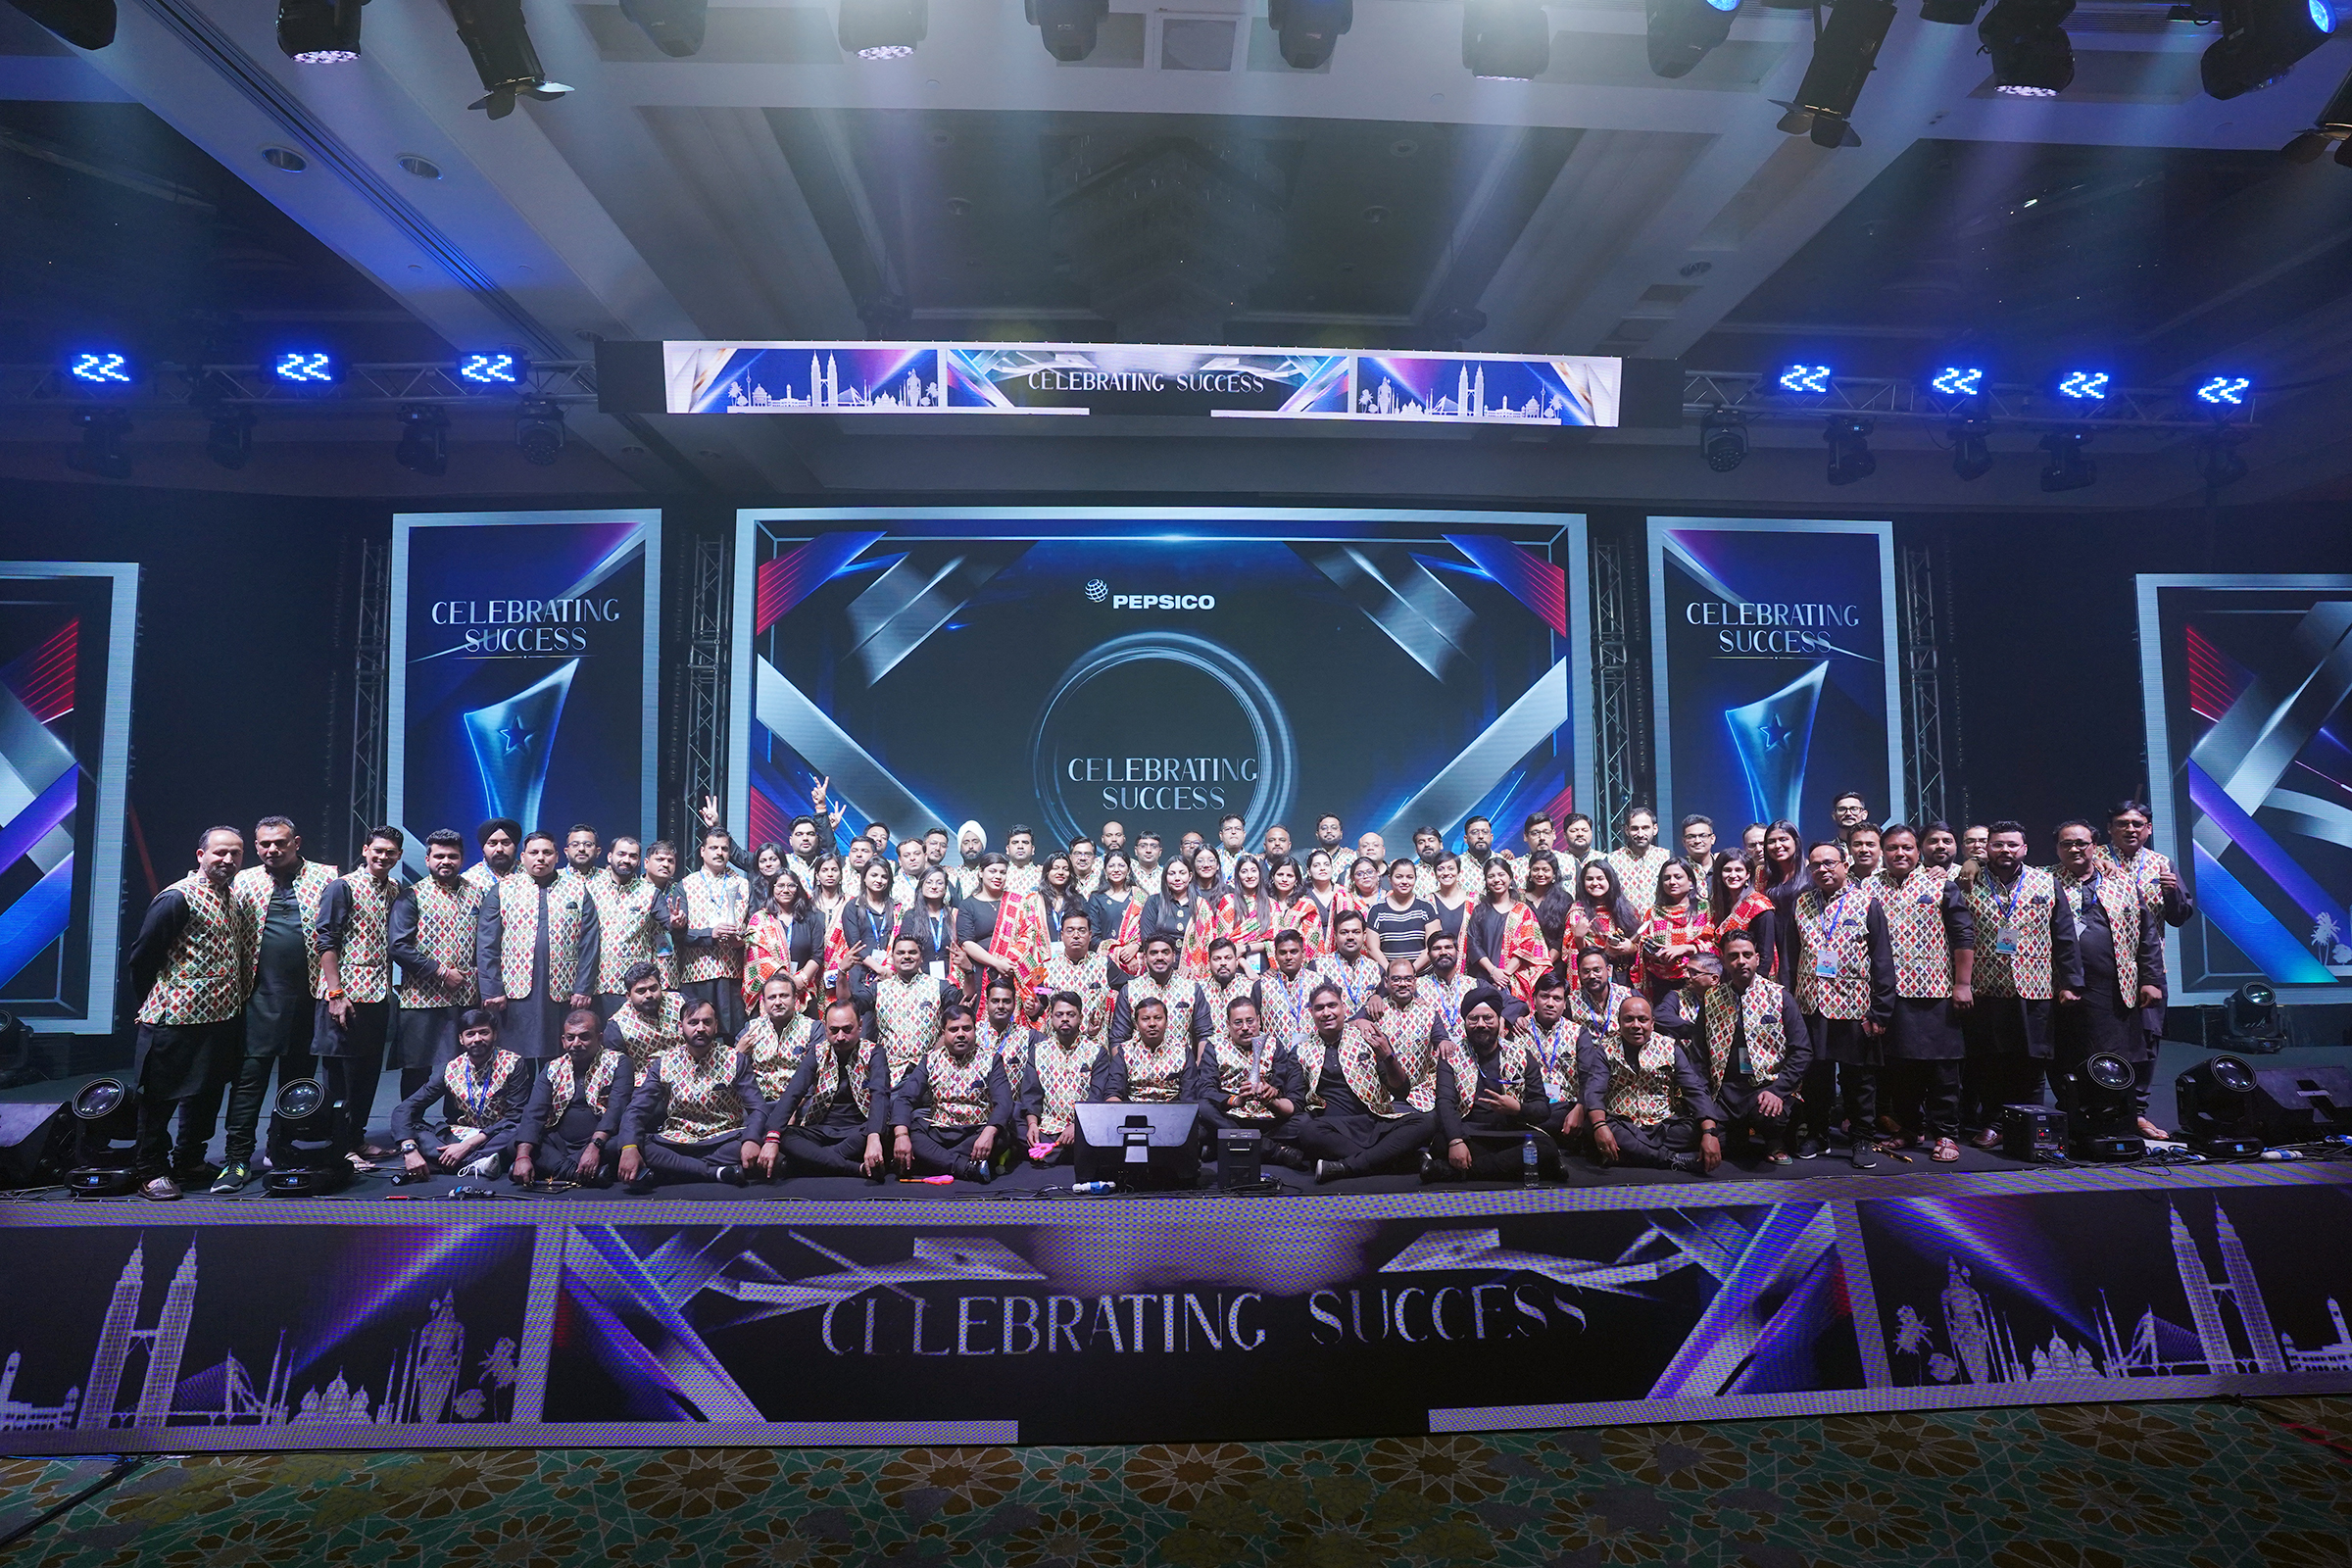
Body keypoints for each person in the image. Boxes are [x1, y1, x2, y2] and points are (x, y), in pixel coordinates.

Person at [208, 815, 337, 1192]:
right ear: (256, 845)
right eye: (265, 844)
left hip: (309, 1000)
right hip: (259, 1000)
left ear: (297, 842)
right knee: (248, 1085)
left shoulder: (327, 877)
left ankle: (282, 1149)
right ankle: (236, 1160)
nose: (272, 850)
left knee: (298, 1083)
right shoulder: (243, 880)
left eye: (280, 842)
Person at [124, 826, 253, 1199]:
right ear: (201, 855)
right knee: (160, 1100)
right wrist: (156, 1001)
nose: (228, 859)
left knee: (206, 1096)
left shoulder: (232, 897)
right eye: (220, 852)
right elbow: (143, 958)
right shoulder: (176, 898)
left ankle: (189, 1160)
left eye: (235, 853)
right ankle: (151, 1170)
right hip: (175, 1020)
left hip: (219, 1019)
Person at [1959, 821, 2080, 1148]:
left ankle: (2028, 1123)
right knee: (1989, 1061)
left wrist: (2070, 982)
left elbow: (2064, 936)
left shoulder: (2046, 882)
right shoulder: (1968, 882)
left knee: (2032, 1060)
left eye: (2012, 845)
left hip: (2035, 987)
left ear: (2024, 849)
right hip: (1985, 987)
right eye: (1998, 844)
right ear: (1987, 848)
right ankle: (1993, 1121)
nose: (2005, 850)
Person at [2051, 820, 2165, 1131]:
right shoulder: (2044, 881)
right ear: (2057, 848)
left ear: (2095, 847)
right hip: (2060, 985)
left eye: (2081, 843)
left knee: (2119, 1053)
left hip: (2116, 986)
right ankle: (2074, 1118)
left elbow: (2147, 934)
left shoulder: (2122, 882)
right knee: (2067, 1053)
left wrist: (2150, 979)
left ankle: (2124, 1116)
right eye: (2066, 843)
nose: (2074, 849)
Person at [1788, 841, 1895, 1168]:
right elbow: (1792, 956)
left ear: (1845, 864)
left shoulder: (1867, 903)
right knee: (1815, 1077)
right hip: (1811, 1006)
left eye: (1829, 863)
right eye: (1816, 864)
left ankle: (1862, 1138)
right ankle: (1817, 1134)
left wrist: (1880, 1010)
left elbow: (1882, 959)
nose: (1822, 869)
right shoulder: (1802, 903)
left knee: (1858, 1080)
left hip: (1854, 1007)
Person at [1873, 824, 1975, 1162]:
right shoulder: (1867, 888)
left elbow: (1963, 936)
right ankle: (1909, 1129)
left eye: (1907, 847)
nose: (1899, 853)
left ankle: (1945, 1134)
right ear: (1883, 853)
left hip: (1936, 993)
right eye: (1892, 848)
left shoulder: (1940, 884)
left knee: (1942, 1070)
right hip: (1888, 996)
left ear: (1918, 851)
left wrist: (1962, 984)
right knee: (1899, 1069)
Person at [2097, 799, 2193, 1136]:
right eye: (2122, 823)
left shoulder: (2161, 864)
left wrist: (2172, 893)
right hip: (2103, 970)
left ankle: (2136, 1112)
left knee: (2147, 1043)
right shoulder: (2093, 858)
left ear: (2148, 829)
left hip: (2149, 971)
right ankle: (2103, 1109)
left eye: (2137, 824)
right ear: (2110, 829)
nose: (2130, 829)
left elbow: (2180, 917)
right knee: (2103, 1040)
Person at [1673, 930, 1808, 1163]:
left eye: (1747, 955)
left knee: (1770, 1117)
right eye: (1733, 956)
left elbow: (1802, 1051)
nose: (1741, 961)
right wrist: (1703, 1102)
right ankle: (1737, 1135)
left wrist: (1778, 1091)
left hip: (1765, 1088)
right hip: (1724, 1092)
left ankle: (1773, 1140)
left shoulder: (1779, 996)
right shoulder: (1712, 998)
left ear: (1757, 958)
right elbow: (1699, 1056)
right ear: (1724, 962)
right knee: (1696, 1135)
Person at [312, 826, 405, 1163]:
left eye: (390, 852)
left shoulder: (395, 889)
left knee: (367, 1074)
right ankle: (340, 1148)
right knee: (341, 1078)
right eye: (377, 850)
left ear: (398, 856)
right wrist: (335, 992)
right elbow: (326, 940)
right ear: (366, 850)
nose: (383, 857)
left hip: (377, 996)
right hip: (344, 996)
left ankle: (357, 1139)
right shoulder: (342, 886)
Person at [1284, 981, 1436, 1183]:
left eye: (1332, 1005)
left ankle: (1346, 1167)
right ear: (1311, 1013)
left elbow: (1401, 1091)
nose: (1326, 1013)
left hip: (1376, 1121)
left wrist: (1388, 1056)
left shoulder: (1368, 1037)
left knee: (1425, 1122)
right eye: (1319, 1008)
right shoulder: (1301, 1050)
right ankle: (1401, 1161)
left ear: (1344, 1008)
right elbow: (1295, 1100)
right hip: (1334, 1129)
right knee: (1308, 1131)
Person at [476, 830, 600, 1062]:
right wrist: (492, 990)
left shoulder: (577, 890)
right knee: (515, 1059)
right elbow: (487, 945)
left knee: (557, 1059)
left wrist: (583, 988)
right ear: (523, 857)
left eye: (547, 852)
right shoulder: (503, 890)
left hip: (563, 991)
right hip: (514, 991)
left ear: (557, 857)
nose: (540, 858)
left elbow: (589, 944)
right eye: (534, 853)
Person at [618, 999, 761, 1190]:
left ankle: (679, 1169)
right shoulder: (664, 1063)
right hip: (677, 1141)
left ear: (716, 1026)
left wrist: (751, 1139)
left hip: (724, 1140)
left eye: (707, 1022)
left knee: (767, 1142)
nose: (700, 1028)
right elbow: (636, 1109)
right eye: (693, 1022)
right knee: (628, 1145)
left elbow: (757, 1108)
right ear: (681, 1027)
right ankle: (715, 1172)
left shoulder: (735, 1060)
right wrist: (629, 1148)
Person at [389, 827, 484, 1105]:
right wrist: (440, 972)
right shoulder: (411, 896)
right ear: (428, 859)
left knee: (463, 1065)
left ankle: (457, 1121)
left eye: (452, 856)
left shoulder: (477, 894)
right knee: (417, 1069)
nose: (446, 861)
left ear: (462, 859)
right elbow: (398, 946)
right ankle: (411, 1123)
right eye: (439, 856)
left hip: (465, 998)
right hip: (422, 999)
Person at [1578, 994, 1719, 1173]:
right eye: (1629, 1019)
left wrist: (1709, 1133)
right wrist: (1600, 1126)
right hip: (1622, 1124)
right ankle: (1670, 1159)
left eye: (1642, 1020)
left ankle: (1629, 1156)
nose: (1636, 1025)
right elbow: (1594, 1091)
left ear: (1652, 1023)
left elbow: (1694, 1090)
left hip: (1664, 1126)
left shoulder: (1670, 1048)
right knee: (1593, 1125)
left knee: (1713, 1130)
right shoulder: (1605, 1050)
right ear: (1619, 1022)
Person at [1428, 987, 1554, 1182]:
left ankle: (1455, 1172)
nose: (1481, 1024)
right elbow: (1445, 1102)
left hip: (1511, 1131)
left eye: (1488, 1018)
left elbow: (1542, 1109)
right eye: (1473, 1019)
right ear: (1464, 1022)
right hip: (1470, 1132)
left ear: (1499, 1020)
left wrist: (1518, 1109)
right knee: (1442, 1144)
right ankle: (1513, 1167)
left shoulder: (1521, 1055)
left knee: (1546, 1147)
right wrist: (1456, 1141)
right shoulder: (1451, 1057)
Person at [393, 1008, 532, 1181]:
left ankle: (446, 1161)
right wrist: (409, 1149)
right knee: (412, 1128)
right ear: (461, 1039)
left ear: (495, 1034)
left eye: (484, 1032)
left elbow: (516, 1116)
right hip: (460, 1134)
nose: (477, 1039)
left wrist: (468, 1145)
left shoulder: (513, 1063)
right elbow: (404, 1109)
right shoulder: (451, 1068)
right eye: (470, 1034)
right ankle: (477, 1164)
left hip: (496, 1135)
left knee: (522, 1132)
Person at [510, 1008, 633, 1188]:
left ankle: (555, 1170)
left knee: (627, 1142)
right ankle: (579, 1173)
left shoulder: (619, 1062)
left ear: (599, 1038)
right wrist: (522, 1157)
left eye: (584, 1037)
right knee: (516, 1142)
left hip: (601, 1141)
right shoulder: (552, 1067)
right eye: (570, 1038)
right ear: (563, 1040)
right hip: (559, 1143)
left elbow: (617, 1109)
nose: (576, 1043)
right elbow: (534, 1112)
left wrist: (595, 1146)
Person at [890, 1003, 1013, 1182]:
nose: (961, 1034)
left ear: (975, 1030)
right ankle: (966, 1167)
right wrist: (901, 1136)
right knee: (911, 1133)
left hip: (975, 1132)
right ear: (943, 1033)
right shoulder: (930, 1060)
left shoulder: (991, 1059)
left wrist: (988, 1133)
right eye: (954, 1029)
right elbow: (904, 1098)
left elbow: (1004, 1102)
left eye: (966, 1028)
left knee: (1001, 1136)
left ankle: (934, 1161)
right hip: (939, 1132)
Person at [770, 999, 893, 1179]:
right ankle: (853, 1168)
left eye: (847, 1029)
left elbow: (880, 1095)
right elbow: (793, 1092)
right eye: (834, 1030)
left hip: (860, 1131)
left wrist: (874, 1136)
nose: (840, 1037)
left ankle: (811, 1161)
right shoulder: (817, 1052)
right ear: (825, 1027)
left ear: (860, 1026)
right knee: (784, 1135)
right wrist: (772, 1137)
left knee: (883, 1131)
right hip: (821, 1130)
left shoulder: (874, 1052)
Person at [663, 828, 753, 1035]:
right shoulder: (686, 885)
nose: (719, 853)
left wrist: (741, 942)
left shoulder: (744, 885)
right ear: (702, 851)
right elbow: (679, 936)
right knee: (698, 1034)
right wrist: (709, 934)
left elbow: (754, 928)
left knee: (734, 1035)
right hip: (696, 974)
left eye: (724, 849)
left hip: (733, 974)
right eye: (713, 848)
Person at [1190, 995, 1303, 1145]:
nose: (1245, 1027)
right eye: (1238, 1022)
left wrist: (1271, 1092)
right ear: (1228, 1025)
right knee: (1203, 1107)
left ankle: (1243, 1142)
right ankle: (1270, 1148)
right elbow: (1206, 1089)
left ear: (1259, 1021)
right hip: (1231, 1117)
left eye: (1250, 1021)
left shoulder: (1274, 1044)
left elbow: (1282, 1084)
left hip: (1268, 1117)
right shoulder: (1215, 1045)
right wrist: (1235, 1100)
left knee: (1305, 1122)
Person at [736, 973, 819, 1178]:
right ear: (763, 1002)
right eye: (772, 997)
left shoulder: (813, 1028)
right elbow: (734, 1075)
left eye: (784, 996)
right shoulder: (750, 1030)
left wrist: (790, 1109)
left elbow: (817, 1077)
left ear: (795, 998)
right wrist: (738, 1053)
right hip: (760, 1105)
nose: (778, 1002)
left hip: (799, 1104)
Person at [586, 835, 663, 1022]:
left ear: (639, 861)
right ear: (609, 856)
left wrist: (678, 925)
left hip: (634, 986)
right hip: (594, 983)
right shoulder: (590, 888)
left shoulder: (650, 892)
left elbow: (670, 929)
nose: (627, 860)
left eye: (633, 856)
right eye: (621, 854)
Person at [1019, 991, 1100, 1164]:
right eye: (1059, 1015)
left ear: (1080, 1018)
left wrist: (1078, 1125)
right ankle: (1062, 1152)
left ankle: (1055, 1153)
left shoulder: (1096, 1052)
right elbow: (1031, 1093)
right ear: (1051, 1018)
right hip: (1047, 1127)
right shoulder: (1039, 1051)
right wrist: (1032, 1125)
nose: (1065, 1019)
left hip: (1085, 1126)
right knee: (1015, 1117)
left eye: (1070, 1014)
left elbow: (1097, 1095)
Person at [959, 853, 1048, 1003]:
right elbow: (966, 943)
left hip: (1014, 968)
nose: (998, 876)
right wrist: (997, 963)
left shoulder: (1018, 902)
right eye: (992, 871)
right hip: (980, 970)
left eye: (1002, 872)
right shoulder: (968, 905)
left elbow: (1028, 933)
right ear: (980, 872)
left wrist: (1009, 961)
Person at [1516, 970, 1586, 1153]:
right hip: (1530, 1105)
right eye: (1544, 996)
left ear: (1565, 1003)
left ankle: (1534, 1138)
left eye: (1557, 998)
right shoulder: (1519, 1030)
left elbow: (1589, 1076)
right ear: (1534, 999)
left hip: (1565, 1106)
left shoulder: (1578, 1033)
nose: (1550, 1003)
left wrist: (1580, 1108)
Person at [1108, 935, 1212, 1052]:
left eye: (1165, 952)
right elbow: (1118, 1037)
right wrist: (1119, 1063)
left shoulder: (1191, 988)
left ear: (1174, 956)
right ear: (1145, 957)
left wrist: (1199, 1062)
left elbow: (1204, 1034)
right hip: (1139, 1061)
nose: (1160, 957)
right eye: (1154, 953)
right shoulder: (1129, 990)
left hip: (1182, 1061)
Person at [1465, 856, 1547, 1003]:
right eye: (1491, 876)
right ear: (1486, 881)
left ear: (1510, 878)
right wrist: (1493, 971)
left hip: (1513, 979)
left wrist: (1504, 975)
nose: (1496, 880)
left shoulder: (1522, 910)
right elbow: (1473, 944)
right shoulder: (1479, 910)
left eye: (1501, 874)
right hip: (1483, 977)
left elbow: (1527, 945)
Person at [872, 933, 950, 1087]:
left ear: (921, 958)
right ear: (892, 957)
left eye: (912, 952)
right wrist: (842, 972)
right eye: (901, 953)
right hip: (891, 1073)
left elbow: (965, 998)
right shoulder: (879, 989)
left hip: (929, 1071)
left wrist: (969, 972)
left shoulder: (938, 986)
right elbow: (849, 1002)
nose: (906, 956)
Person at [826, 858, 904, 1008]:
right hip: (860, 972)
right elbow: (854, 944)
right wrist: (879, 969)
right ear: (864, 878)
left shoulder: (896, 908)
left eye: (884, 876)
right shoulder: (852, 907)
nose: (879, 880)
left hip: (891, 973)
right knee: (862, 1016)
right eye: (874, 875)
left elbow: (900, 942)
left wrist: (887, 970)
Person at [1036, 909, 1120, 1046]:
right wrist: (1034, 1009)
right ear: (1062, 935)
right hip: (1056, 1048)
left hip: (1095, 1046)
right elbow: (1040, 1000)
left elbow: (1128, 989)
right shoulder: (1046, 969)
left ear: (1090, 935)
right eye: (1070, 931)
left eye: (1081, 931)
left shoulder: (1104, 965)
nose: (1076, 936)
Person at [744, 866, 824, 1009]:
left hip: (803, 988)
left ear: (798, 889)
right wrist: (789, 981)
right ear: (772, 889)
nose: (786, 890)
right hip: (770, 991)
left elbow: (817, 954)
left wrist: (801, 980)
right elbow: (758, 955)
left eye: (791, 885)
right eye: (780, 885)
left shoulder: (810, 918)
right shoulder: (760, 919)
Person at [1090, 994, 1192, 1103]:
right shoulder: (1125, 1051)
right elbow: (1113, 1092)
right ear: (1137, 1025)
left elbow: (1190, 1096)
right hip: (1132, 1110)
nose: (1152, 1024)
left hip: (1174, 1111)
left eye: (1158, 1018)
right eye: (1145, 1019)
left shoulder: (1182, 1051)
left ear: (1167, 1022)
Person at [1637, 858, 1713, 1004]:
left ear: (1690, 881)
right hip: (1660, 982)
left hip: (1698, 979)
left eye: (1678, 877)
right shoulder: (1653, 913)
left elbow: (1715, 945)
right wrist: (1655, 953)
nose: (1672, 882)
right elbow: (1642, 947)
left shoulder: (1705, 909)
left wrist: (1685, 948)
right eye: (1667, 878)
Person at [1567, 859, 1642, 986]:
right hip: (1594, 977)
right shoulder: (1578, 911)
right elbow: (1572, 953)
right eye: (1589, 879)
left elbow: (1642, 943)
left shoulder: (1626, 909)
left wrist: (1632, 948)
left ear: (1610, 880)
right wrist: (1579, 938)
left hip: (1625, 975)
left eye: (1600, 878)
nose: (1595, 883)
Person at [1710, 852, 1779, 980]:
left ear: (1748, 874)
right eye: (1727, 870)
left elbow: (1765, 957)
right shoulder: (1719, 905)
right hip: (1725, 977)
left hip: (1752, 979)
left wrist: (1753, 985)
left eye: (1738, 870)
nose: (1733, 875)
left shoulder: (1760, 906)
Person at [605, 959, 686, 1065]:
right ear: (628, 996)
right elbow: (617, 1066)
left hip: (686, 1068)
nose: (649, 995)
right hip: (645, 1073)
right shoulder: (617, 1025)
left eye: (653, 988)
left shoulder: (681, 1002)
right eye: (641, 991)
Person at [1255, 929, 1320, 1057]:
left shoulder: (1320, 982)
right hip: (1276, 1060)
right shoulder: (1262, 986)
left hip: (1314, 1057)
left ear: (1303, 953)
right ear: (1275, 955)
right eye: (1283, 952)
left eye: (1294, 952)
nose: (1288, 957)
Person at [1369, 858, 1443, 970]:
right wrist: (1392, 972)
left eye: (1409, 877)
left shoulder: (1427, 907)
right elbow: (1372, 948)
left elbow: (1433, 946)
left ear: (1415, 879)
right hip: (1389, 976)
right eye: (1399, 877)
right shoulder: (1377, 910)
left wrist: (1411, 971)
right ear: (1389, 879)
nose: (1404, 881)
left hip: (1423, 976)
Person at [1314, 910, 1386, 1013]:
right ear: (1335, 936)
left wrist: (1377, 996)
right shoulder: (1318, 968)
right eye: (1344, 932)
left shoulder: (1377, 970)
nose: (1350, 937)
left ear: (1364, 935)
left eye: (1356, 932)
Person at [1605, 807, 1670, 914]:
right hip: (1625, 922)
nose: (1640, 834)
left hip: (1660, 921)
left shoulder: (1666, 857)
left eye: (1645, 828)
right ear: (1627, 830)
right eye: (1635, 828)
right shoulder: (1612, 860)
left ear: (1655, 829)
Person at [1220, 855, 1277, 969]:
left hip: (1266, 965)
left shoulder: (1271, 904)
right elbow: (1224, 944)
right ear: (1238, 876)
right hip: (1235, 965)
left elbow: (1277, 941)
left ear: (1260, 874)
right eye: (1244, 872)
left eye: (1253, 871)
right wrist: (1246, 967)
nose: (1250, 876)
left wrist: (1245, 948)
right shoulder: (1229, 901)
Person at [1089, 853, 1143, 972]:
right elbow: (1093, 938)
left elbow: (1149, 932)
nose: (1116, 870)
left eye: (1121, 866)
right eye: (1111, 866)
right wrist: (1120, 953)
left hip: (1138, 961)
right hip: (1106, 963)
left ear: (1129, 870)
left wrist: (1136, 946)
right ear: (1105, 870)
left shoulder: (1140, 896)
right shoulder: (1096, 898)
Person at [1566, 945, 1636, 1035]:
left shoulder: (1629, 996)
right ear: (1579, 974)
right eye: (1586, 972)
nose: (1592, 976)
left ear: (1609, 970)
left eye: (1597, 970)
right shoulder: (1570, 1002)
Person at [1266, 856, 1325, 960]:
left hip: (1298, 962)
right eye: (1280, 875)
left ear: (1296, 880)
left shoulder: (1306, 905)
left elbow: (1312, 942)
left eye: (1289, 876)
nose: (1284, 879)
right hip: (1265, 961)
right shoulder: (1264, 903)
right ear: (1272, 877)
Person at [1036, 852, 1084, 948]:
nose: (1061, 872)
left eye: (1065, 869)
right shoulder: (1036, 900)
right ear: (1047, 872)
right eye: (1055, 868)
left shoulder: (1079, 900)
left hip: (1072, 953)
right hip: (1042, 953)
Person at [1428, 854, 1473, 950]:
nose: (1446, 873)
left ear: (1459, 872)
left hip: (1470, 957)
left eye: (1451, 868)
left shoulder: (1474, 900)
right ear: (1435, 874)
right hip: (1439, 957)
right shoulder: (1428, 901)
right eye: (1440, 869)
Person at [464, 817, 520, 892]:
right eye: (493, 843)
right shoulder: (469, 881)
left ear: (515, 847)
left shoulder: (529, 874)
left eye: (505, 843)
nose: (499, 849)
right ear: (483, 848)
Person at [1679, 815, 1718, 901]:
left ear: (1712, 839)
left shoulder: (1723, 867)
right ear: (1684, 842)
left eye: (1703, 836)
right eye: (1691, 837)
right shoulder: (1678, 870)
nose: (1697, 841)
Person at [1003, 824, 1042, 898]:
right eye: (1015, 842)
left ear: (1032, 849)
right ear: (1007, 849)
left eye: (1025, 842)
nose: (1020, 846)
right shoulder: (999, 874)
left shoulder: (1042, 876)